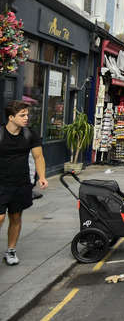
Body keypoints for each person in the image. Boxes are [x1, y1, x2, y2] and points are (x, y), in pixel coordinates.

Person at [1, 101, 47, 266]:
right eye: (22, 115)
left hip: (21, 183)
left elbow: (38, 157)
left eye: (27, 114)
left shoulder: (30, 134)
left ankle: (11, 251)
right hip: (1, 183)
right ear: (11, 117)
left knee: (16, 216)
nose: (26, 118)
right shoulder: (0, 134)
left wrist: (42, 176)